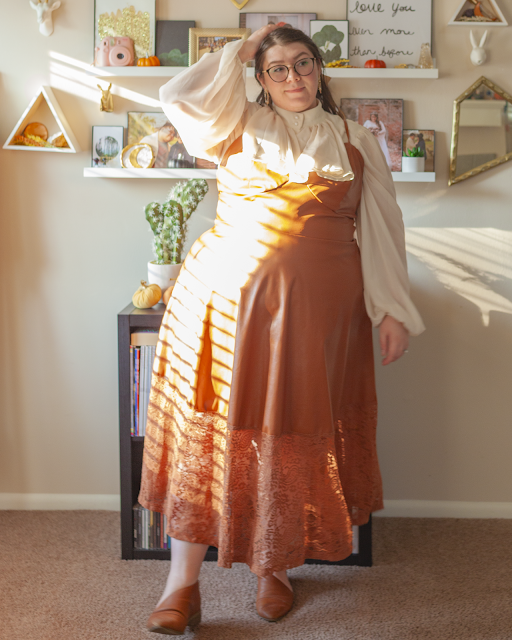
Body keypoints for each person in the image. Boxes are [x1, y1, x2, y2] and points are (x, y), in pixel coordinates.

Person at [139, 24, 425, 635]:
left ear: (320, 70)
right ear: (260, 79)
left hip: (319, 316)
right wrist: (239, 51)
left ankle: (274, 566)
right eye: (277, 69)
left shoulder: (354, 139)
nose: (293, 77)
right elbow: (177, 97)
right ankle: (181, 586)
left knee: (290, 433)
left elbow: (382, 227)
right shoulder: (232, 122)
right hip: (224, 305)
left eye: (303, 64)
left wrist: (392, 309)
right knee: (213, 436)